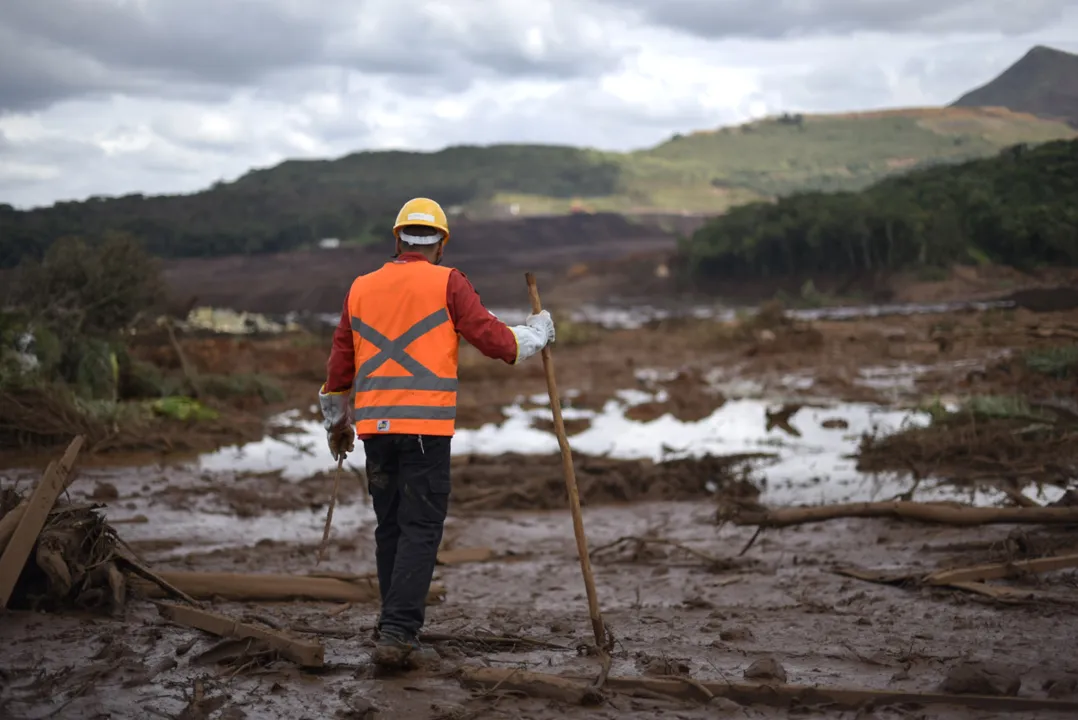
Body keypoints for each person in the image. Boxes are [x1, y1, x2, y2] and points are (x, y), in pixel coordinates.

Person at [318, 197, 556, 668]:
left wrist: (336, 424)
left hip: (376, 433)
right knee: (421, 529)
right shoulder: (450, 282)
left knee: (391, 528)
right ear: (441, 243)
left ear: (397, 239)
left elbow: (339, 364)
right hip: (426, 431)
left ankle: (392, 623)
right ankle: (399, 634)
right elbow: (497, 342)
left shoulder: (361, 287)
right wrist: (538, 333)